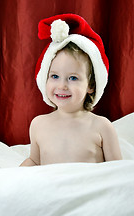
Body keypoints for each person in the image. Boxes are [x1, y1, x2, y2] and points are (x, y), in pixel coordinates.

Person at [20, 14, 122, 166]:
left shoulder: (101, 126)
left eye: (73, 78)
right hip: (52, 189)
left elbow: (117, 170)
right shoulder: (38, 124)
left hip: (89, 189)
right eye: (54, 76)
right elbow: (34, 161)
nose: (62, 86)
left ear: (91, 86)